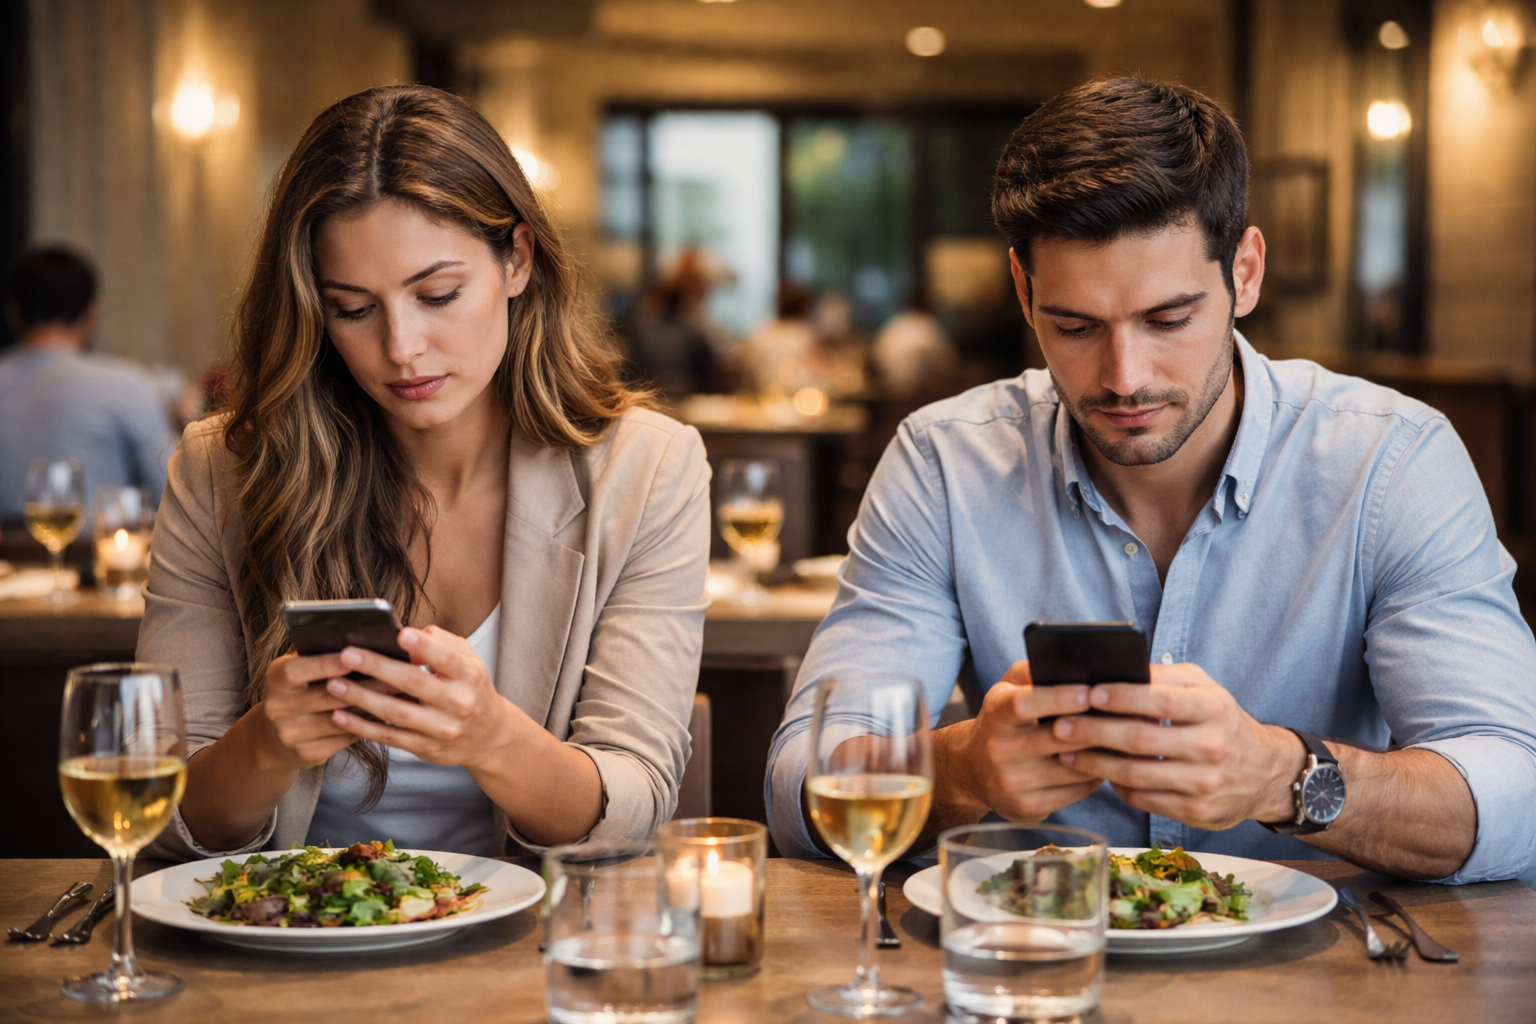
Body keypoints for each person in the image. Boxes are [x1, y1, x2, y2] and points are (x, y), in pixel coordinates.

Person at [766, 78, 1536, 885]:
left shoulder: (1391, 460)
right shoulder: (944, 463)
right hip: (1037, 965)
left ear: (1244, 274)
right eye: (1075, 326)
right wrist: (961, 771)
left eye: (1168, 320)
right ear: (1025, 294)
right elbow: (797, 791)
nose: (1124, 378)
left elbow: (1513, 796)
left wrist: (1284, 776)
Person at [140, 84, 711, 861]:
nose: (402, 346)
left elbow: (634, 805)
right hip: (287, 950)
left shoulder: (646, 469)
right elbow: (164, 818)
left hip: (533, 954)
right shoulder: (220, 471)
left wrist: (490, 737)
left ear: (517, 259)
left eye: (438, 294)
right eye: (352, 308)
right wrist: (264, 747)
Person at [0, 246, 172, 521]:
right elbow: (171, 492)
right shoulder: (127, 385)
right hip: (98, 562)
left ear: (13, 313)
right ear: (92, 314)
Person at [871, 286, 955, 399]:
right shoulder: (929, 327)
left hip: (888, 397)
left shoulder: (894, 325)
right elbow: (948, 364)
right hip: (918, 399)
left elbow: (876, 357)